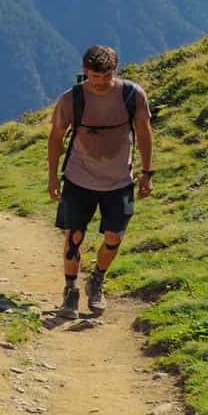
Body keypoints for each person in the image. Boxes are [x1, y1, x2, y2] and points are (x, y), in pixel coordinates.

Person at [46, 44, 154, 319]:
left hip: (119, 179)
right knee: (75, 236)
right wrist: (52, 176)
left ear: (114, 71)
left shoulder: (132, 95)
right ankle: (70, 291)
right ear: (85, 72)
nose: (99, 83)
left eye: (105, 77)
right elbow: (56, 137)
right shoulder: (72, 99)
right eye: (94, 77)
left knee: (114, 236)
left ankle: (97, 279)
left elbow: (144, 132)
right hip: (78, 177)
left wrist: (147, 172)